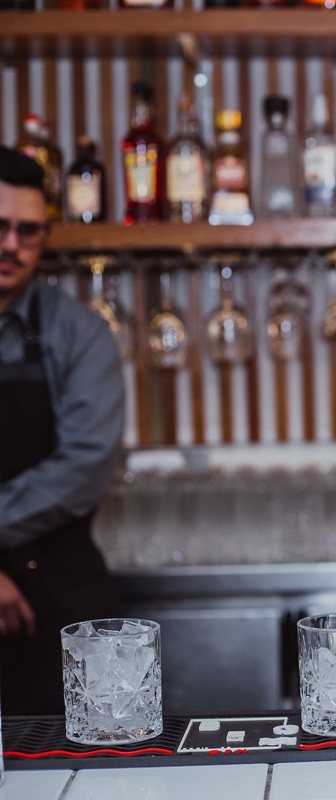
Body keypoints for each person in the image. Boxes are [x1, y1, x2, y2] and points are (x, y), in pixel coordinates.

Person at [0, 147, 124, 715]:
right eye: (0, 228)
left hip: (61, 597)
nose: (11, 245)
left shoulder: (79, 332)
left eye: (29, 231)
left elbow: (85, 466)